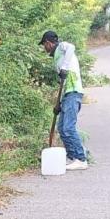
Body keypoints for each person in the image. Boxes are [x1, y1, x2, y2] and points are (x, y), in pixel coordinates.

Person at [40, 30, 88, 171]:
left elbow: (71, 47)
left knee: (68, 127)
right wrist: (59, 104)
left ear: (48, 43)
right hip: (67, 94)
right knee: (62, 128)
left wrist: (65, 66)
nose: (44, 48)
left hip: (73, 92)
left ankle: (81, 159)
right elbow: (62, 82)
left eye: (44, 45)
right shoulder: (56, 57)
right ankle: (73, 157)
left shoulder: (61, 47)